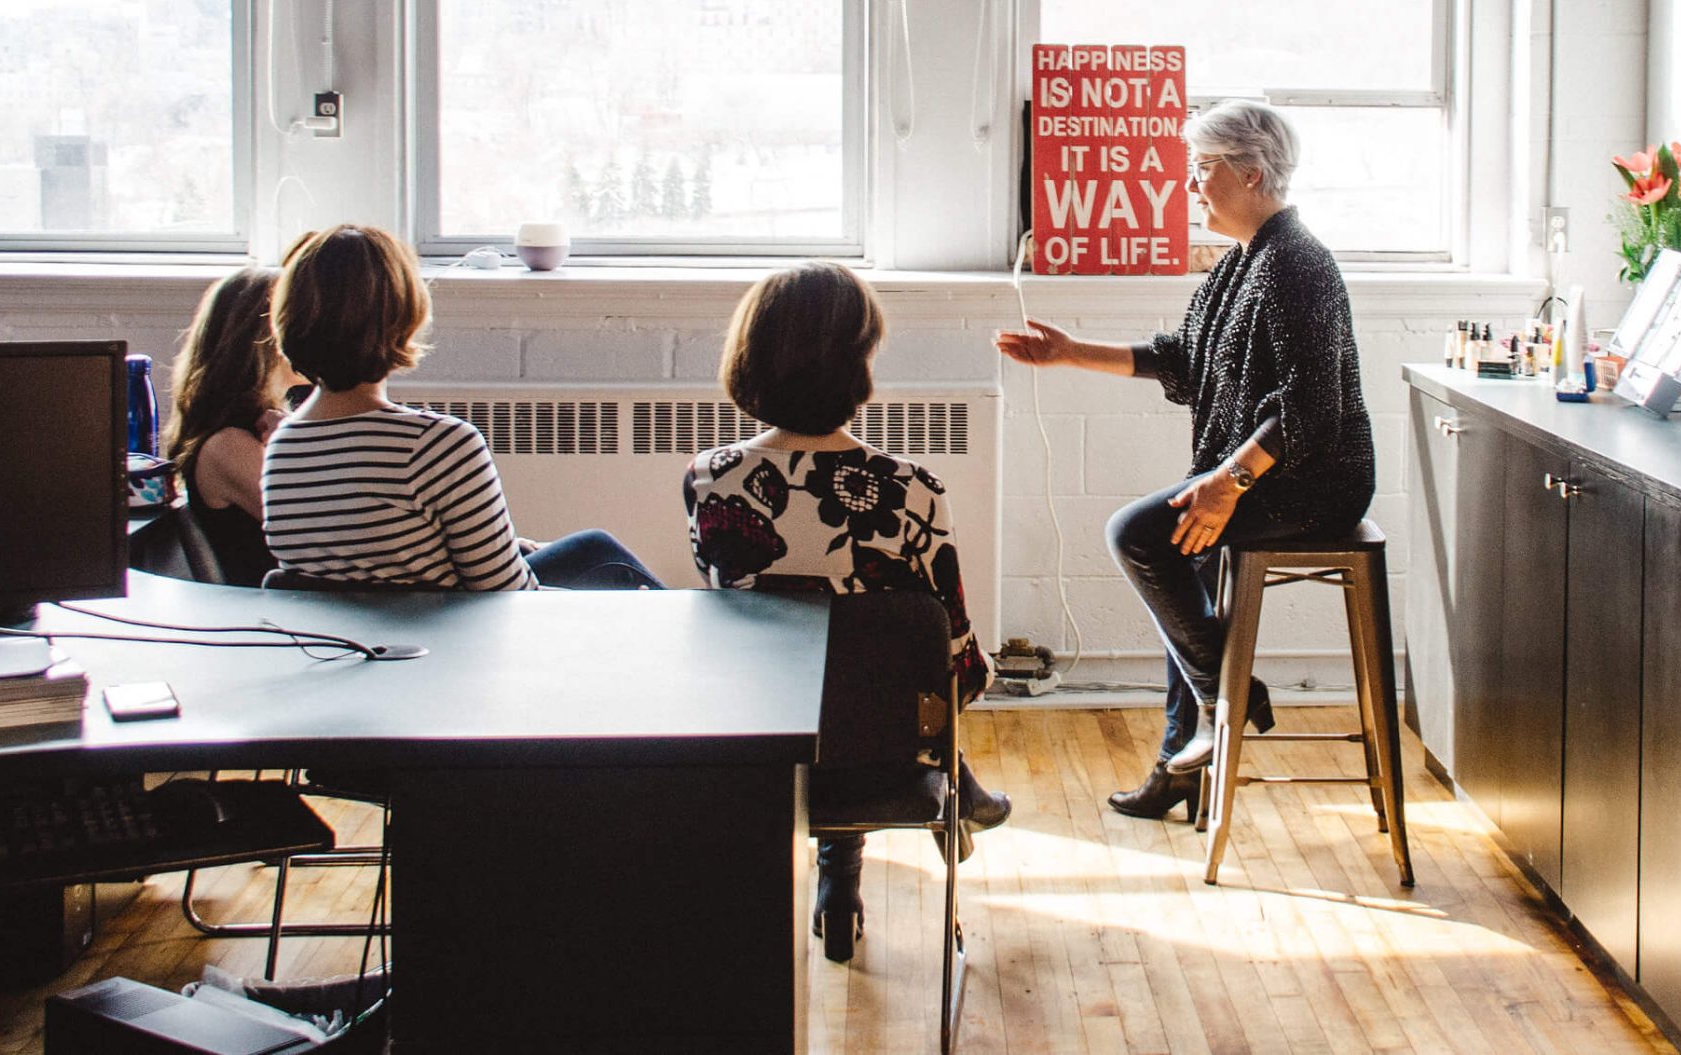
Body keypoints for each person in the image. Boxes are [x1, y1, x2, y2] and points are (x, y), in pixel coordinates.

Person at [993, 101, 1376, 822]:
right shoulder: (1242, 263)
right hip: (1267, 474)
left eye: (1202, 170)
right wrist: (1069, 350)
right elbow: (1182, 358)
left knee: (1137, 533)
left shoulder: (1298, 264)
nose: (1190, 186)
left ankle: (1224, 691)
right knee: (1184, 574)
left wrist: (1227, 484)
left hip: (1316, 482)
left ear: (1252, 173)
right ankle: (1183, 759)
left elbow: (1312, 406)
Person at [684, 262, 1005, 962]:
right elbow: (959, 661)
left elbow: (728, 625)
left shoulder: (711, 478)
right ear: (857, 366)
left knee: (817, 674)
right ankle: (910, 821)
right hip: (885, 758)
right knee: (873, 678)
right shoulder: (911, 489)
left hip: (758, 750)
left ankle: (840, 878)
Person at [260, 224, 665, 591]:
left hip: (357, 652)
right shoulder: (437, 444)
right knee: (596, 551)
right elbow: (508, 596)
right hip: (449, 649)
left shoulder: (281, 450)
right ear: (403, 317)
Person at [161, 266, 289, 587]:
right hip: (278, 616)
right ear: (268, 337)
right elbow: (316, 533)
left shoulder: (262, 424)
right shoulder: (229, 445)